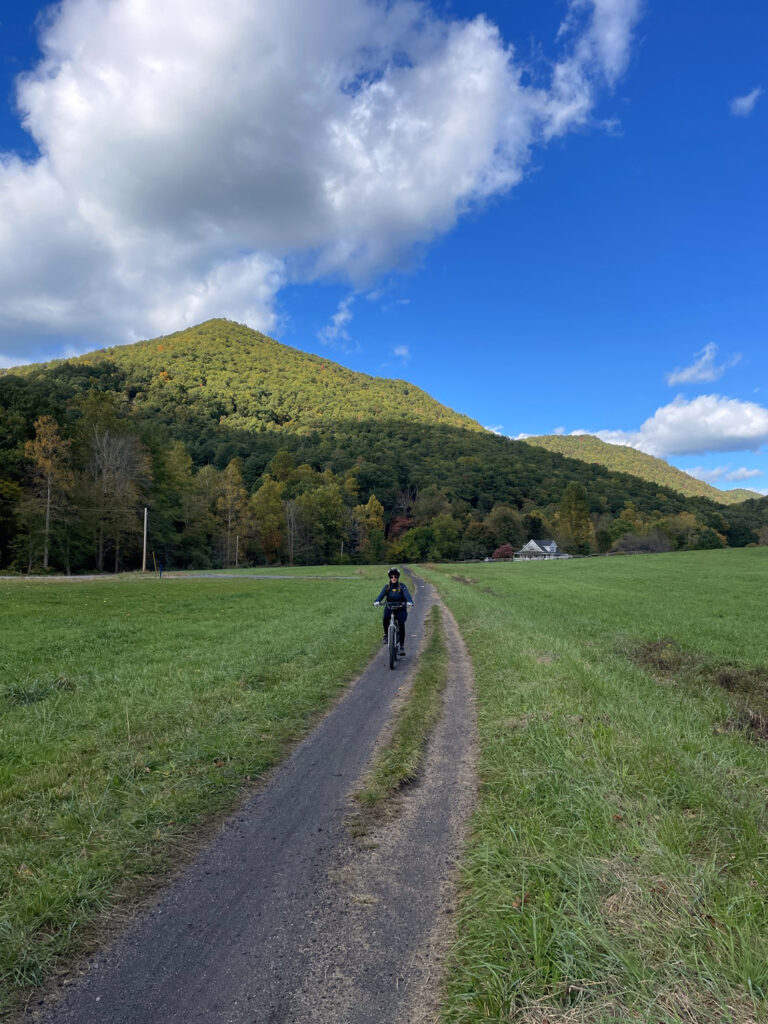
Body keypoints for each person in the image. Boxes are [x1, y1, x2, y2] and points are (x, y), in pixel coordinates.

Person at [374, 567, 413, 655]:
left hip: (400, 607)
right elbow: (381, 595)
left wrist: (409, 601)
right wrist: (377, 601)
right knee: (385, 618)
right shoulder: (387, 587)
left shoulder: (402, 586)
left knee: (401, 623)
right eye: (391, 577)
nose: (393, 578)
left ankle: (402, 646)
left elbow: (407, 595)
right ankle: (386, 635)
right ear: (389, 577)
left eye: (395, 576)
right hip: (389, 606)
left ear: (398, 577)